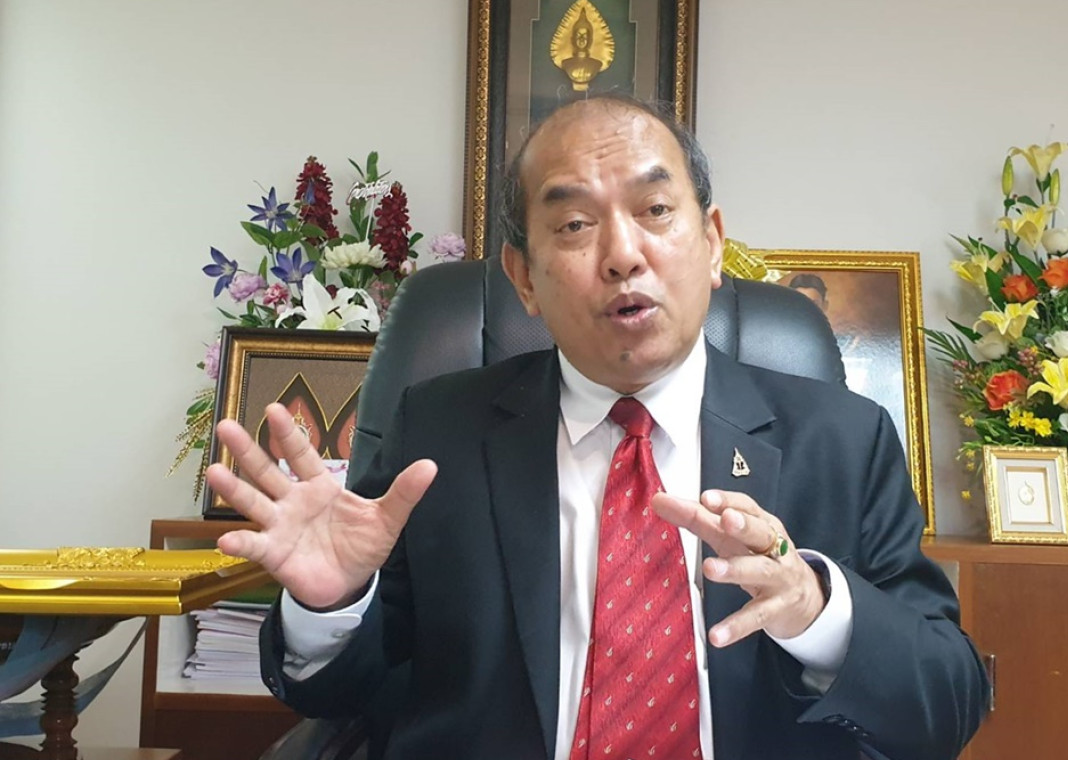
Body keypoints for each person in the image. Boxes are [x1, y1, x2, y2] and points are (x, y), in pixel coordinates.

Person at [209, 96, 988, 760]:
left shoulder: (843, 439)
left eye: (656, 211)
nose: (623, 255)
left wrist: (815, 607)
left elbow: (947, 704)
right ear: (524, 279)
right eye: (575, 224)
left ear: (712, 243)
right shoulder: (439, 433)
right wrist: (331, 608)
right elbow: (351, 698)